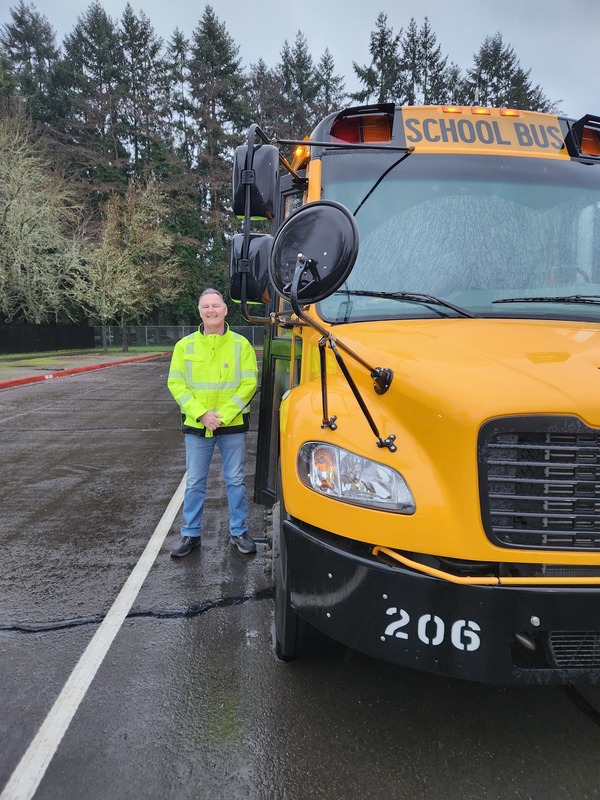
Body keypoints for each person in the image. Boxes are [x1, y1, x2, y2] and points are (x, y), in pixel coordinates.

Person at [167, 288, 258, 557]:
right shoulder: (184, 347)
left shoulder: (242, 345)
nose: (211, 310)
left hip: (231, 426)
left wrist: (223, 415)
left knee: (235, 480)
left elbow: (249, 384)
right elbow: (177, 384)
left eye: (216, 305)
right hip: (197, 426)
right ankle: (190, 534)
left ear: (225, 310)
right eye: (205, 306)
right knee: (194, 481)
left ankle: (239, 531)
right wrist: (201, 415)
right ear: (200, 312)